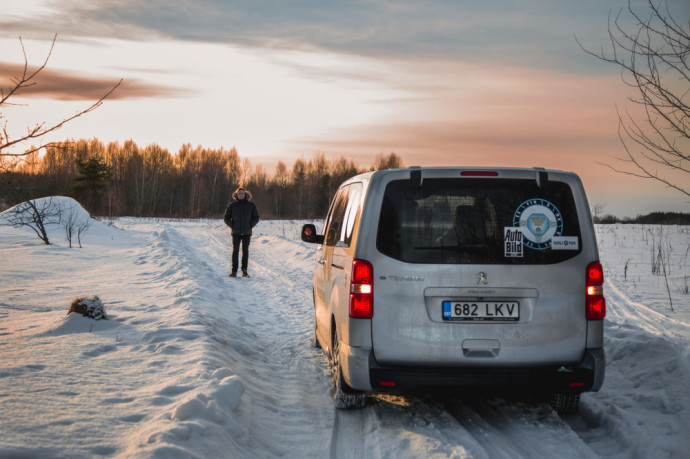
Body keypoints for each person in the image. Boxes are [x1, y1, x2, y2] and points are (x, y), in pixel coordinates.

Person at [223, 187, 260, 277]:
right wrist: (232, 225)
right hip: (236, 232)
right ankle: (234, 271)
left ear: (245, 194)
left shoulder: (251, 205)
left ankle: (244, 271)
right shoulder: (232, 205)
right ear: (236, 195)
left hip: (247, 232)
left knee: (245, 251)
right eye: (239, 194)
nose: (241, 195)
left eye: (242, 193)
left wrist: (250, 225)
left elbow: (256, 217)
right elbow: (226, 217)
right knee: (235, 251)